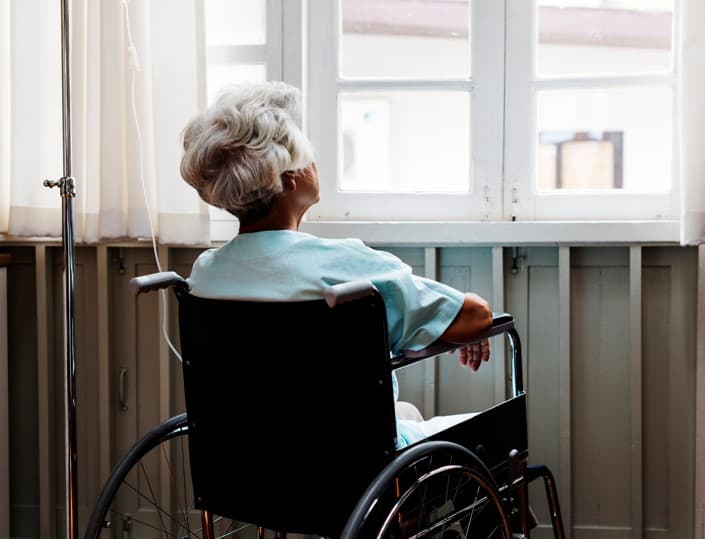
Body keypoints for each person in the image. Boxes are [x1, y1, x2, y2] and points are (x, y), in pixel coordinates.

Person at [179, 80, 492, 448]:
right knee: (490, 430)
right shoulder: (347, 268)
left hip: (251, 456)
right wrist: (446, 327)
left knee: (404, 412)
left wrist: (439, 325)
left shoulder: (206, 273)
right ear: (290, 177)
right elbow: (476, 318)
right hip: (351, 456)